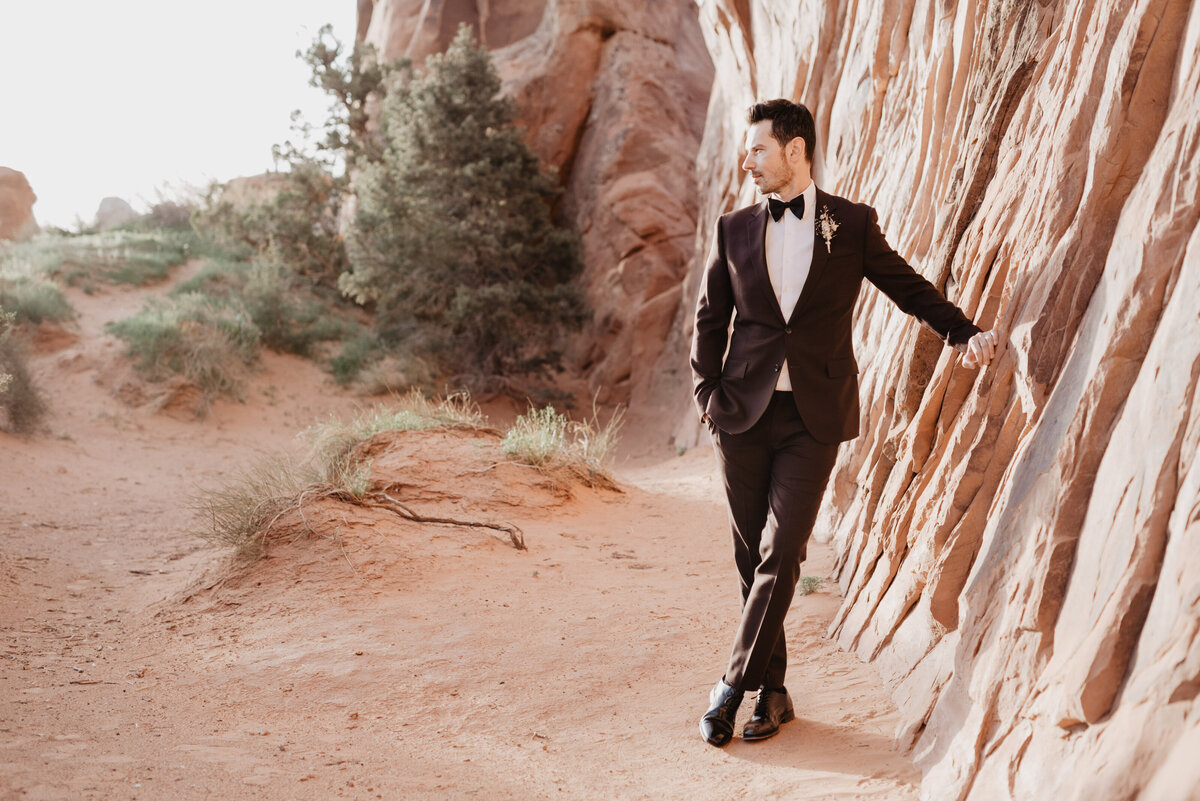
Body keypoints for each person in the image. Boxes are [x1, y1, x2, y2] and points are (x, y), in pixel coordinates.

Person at [690, 98, 998, 747]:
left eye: (758, 150)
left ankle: (729, 684)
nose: (747, 161)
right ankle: (773, 692)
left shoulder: (849, 224)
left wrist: (962, 331)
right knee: (751, 555)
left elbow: (905, 285)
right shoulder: (734, 229)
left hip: (814, 415)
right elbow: (709, 320)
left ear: (796, 150)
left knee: (784, 548)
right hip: (741, 413)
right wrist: (706, 396)